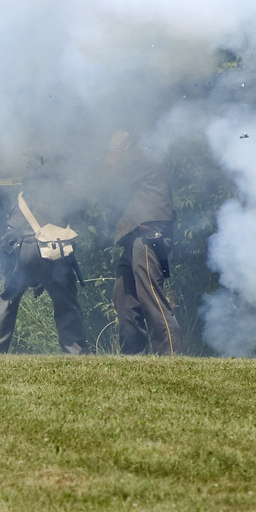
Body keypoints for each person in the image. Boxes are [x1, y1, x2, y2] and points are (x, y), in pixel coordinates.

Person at [0, 171, 88, 355]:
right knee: (66, 303)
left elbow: (11, 230)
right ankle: (76, 352)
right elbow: (79, 216)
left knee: (8, 300)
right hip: (53, 252)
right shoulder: (63, 191)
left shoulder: (23, 196)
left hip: (21, 250)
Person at [105, 130, 183, 355]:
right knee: (124, 301)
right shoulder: (137, 159)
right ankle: (133, 358)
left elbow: (107, 183)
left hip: (146, 239)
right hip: (134, 240)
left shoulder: (141, 159)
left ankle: (171, 356)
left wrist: (113, 152)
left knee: (152, 301)